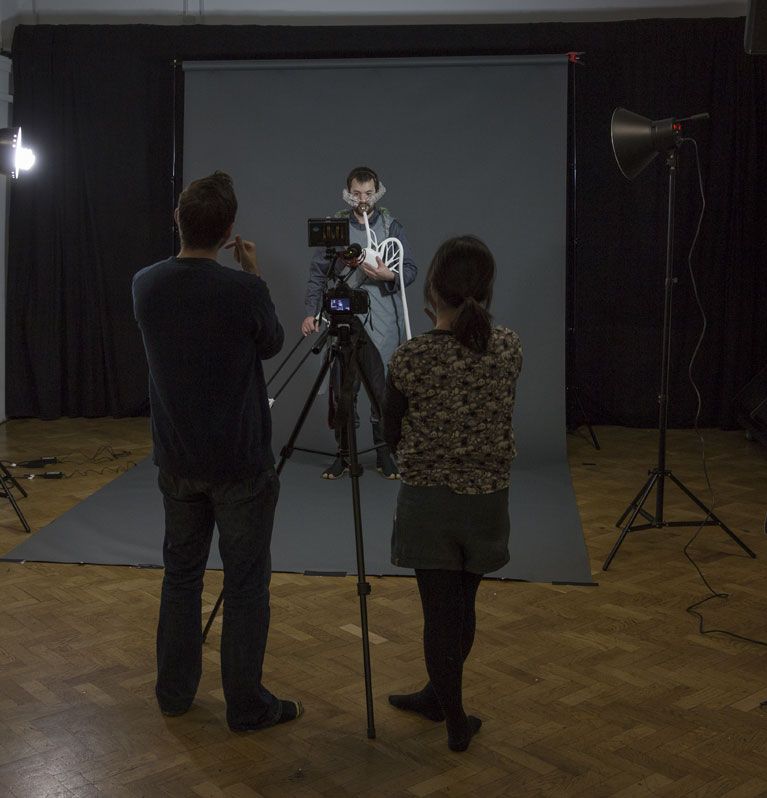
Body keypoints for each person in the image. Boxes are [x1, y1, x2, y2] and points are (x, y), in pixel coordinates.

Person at [132, 171, 302, 731]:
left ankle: (174, 694)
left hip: (178, 462)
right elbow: (272, 342)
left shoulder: (145, 285)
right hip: (240, 467)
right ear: (230, 230)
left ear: (176, 221)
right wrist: (253, 274)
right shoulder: (243, 290)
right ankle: (247, 706)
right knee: (245, 583)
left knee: (180, 577)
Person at [382, 235, 523, 752]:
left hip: (429, 502)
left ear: (433, 290)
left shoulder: (411, 356)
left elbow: (389, 431)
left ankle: (453, 717)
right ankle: (437, 695)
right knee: (462, 607)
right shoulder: (509, 346)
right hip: (487, 499)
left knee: (439, 614)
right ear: (484, 291)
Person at [301, 166, 417, 480]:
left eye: (368, 193)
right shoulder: (336, 225)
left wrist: (387, 275)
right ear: (348, 193)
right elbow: (317, 274)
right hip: (344, 317)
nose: (362, 200)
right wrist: (311, 312)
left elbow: (409, 270)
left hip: (382, 320)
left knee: (383, 391)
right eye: (356, 193)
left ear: (377, 192)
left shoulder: (391, 225)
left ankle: (384, 454)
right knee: (343, 390)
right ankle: (344, 455)